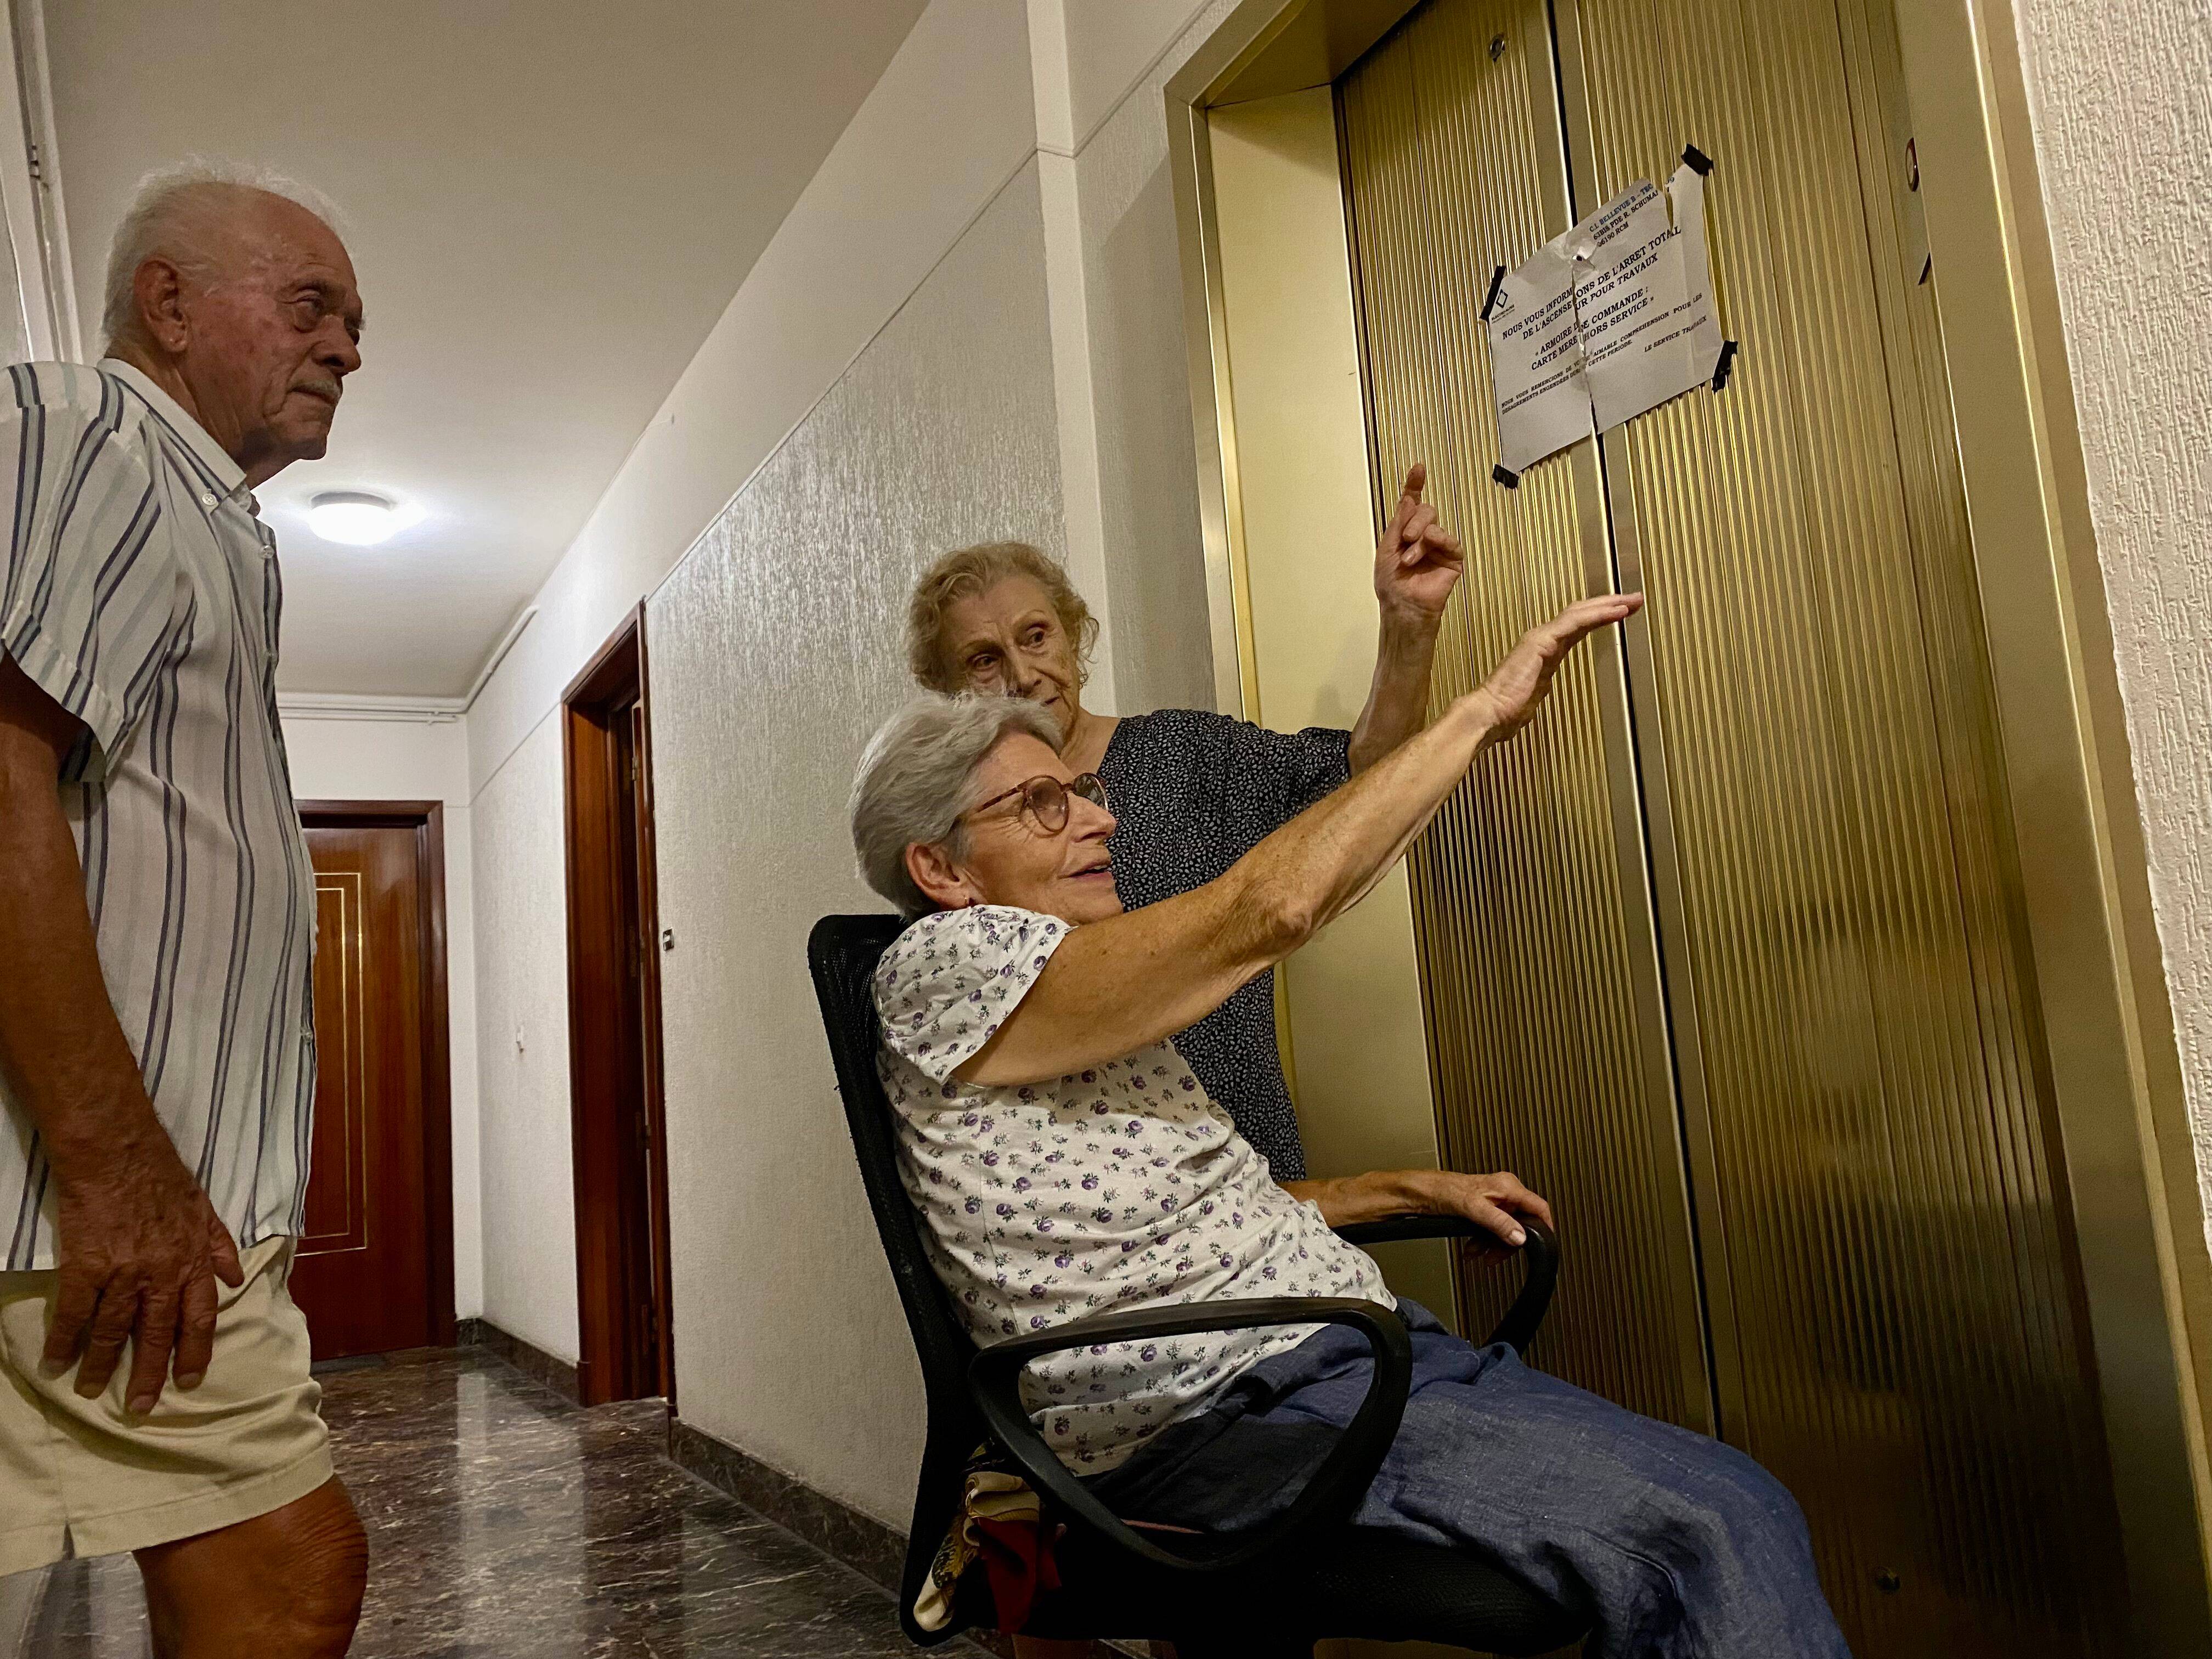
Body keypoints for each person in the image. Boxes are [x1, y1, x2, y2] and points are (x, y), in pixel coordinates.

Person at [849, 596, 1852, 1658]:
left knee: (1726, 1509)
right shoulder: (944, 969)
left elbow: (1197, 1201)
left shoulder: (1071, 992)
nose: (1101, 821)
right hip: (1225, 1410)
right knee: (1715, 1529)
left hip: (1320, 1357)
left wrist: (1407, 1190)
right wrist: (1478, 714)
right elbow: (1272, 911)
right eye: (1047, 806)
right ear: (943, 871)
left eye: (1083, 793)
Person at [0, 162, 366, 1656]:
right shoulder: (94, 437)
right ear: (167, 304)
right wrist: (116, 1166)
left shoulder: (215, 523)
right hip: (92, 1202)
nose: (348, 346)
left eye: (353, 324)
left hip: (139, 1197)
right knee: (286, 1570)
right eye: (311, 306)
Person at [905, 465, 1461, 1183]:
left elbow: (1362, 785)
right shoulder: (962, 842)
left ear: (1074, 639)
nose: (1022, 673)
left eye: (1036, 636)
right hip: (1101, 1215)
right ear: (950, 690)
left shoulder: (1185, 755)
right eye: (984, 659)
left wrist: (1410, 627)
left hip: (1257, 1184)